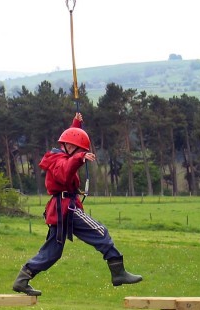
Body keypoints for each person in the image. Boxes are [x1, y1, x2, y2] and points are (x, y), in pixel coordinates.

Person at [13, 112, 142, 296]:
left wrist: (76, 124)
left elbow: (72, 140)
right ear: (70, 147)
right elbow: (65, 171)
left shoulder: (62, 154)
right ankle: (118, 272)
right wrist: (80, 158)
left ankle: (22, 279)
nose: (82, 152)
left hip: (61, 210)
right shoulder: (59, 160)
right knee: (100, 231)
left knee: (52, 252)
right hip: (66, 208)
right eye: (79, 149)